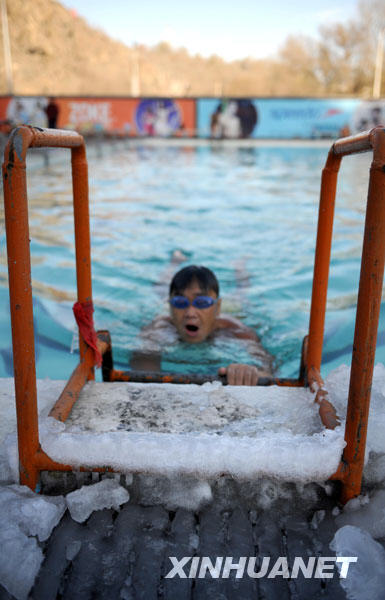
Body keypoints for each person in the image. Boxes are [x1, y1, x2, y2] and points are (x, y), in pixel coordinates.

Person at [141, 265, 273, 385]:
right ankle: (174, 263)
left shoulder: (237, 330)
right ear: (170, 306)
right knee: (160, 290)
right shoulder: (159, 327)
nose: (190, 313)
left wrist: (249, 373)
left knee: (241, 295)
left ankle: (240, 270)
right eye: (180, 302)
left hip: (232, 309)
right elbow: (144, 371)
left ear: (218, 307)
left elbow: (268, 370)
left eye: (202, 302)